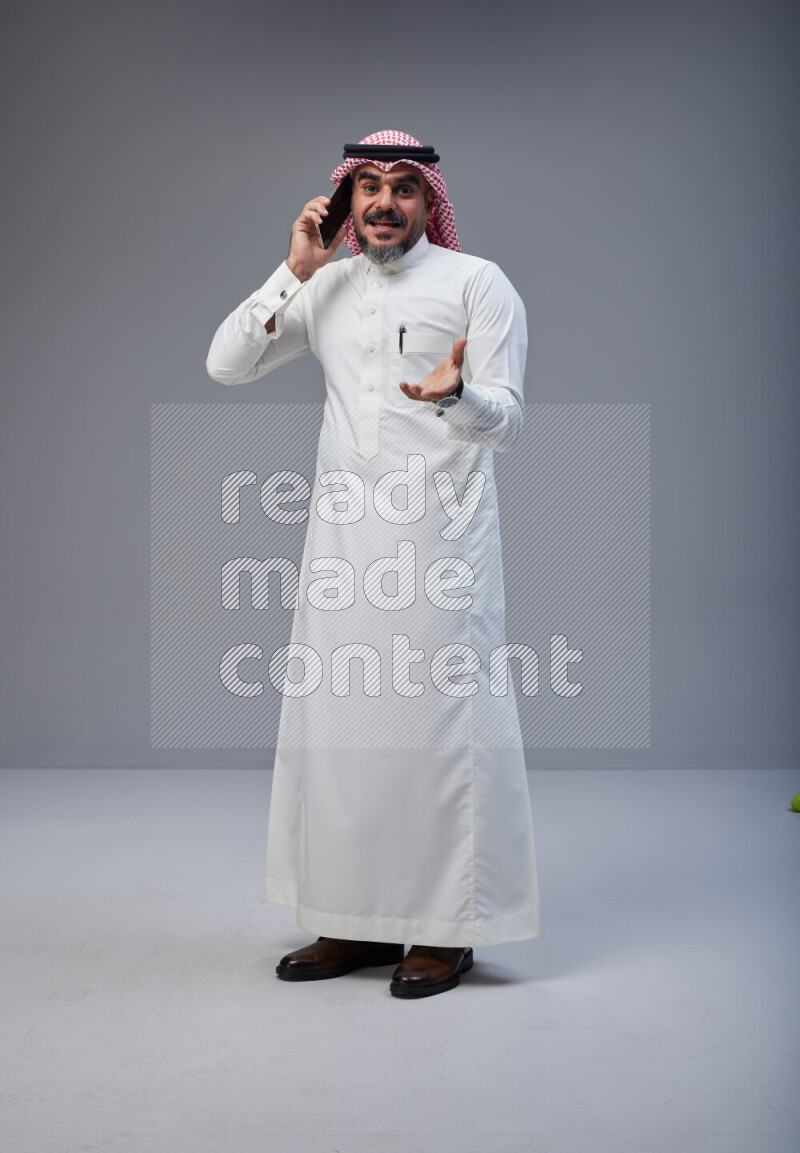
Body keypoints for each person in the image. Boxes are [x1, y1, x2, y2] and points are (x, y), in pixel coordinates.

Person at [206, 130, 540, 999]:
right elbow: (227, 363)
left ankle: (443, 931)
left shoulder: (478, 284)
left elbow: (507, 417)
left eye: (404, 187)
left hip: (440, 546)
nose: (385, 202)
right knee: (343, 736)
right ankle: (350, 919)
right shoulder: (330, 285)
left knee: (433, 738)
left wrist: (457, 396)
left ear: (431, 203)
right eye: (368, 187)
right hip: (341, 547)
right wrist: (295, 273)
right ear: (344, 201)